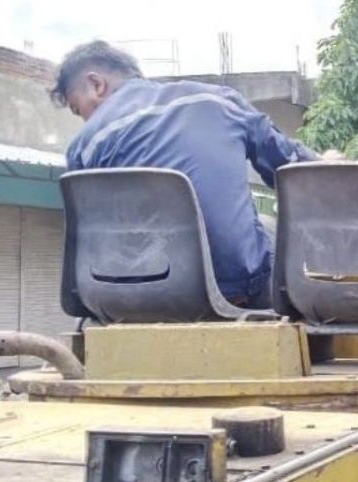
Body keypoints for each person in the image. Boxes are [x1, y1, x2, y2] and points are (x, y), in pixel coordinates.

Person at [50, 40, 320, 308]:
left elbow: (89, 241)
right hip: (233, 289)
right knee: (270, 229)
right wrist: (325, 162)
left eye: (78, 109)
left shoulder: (83, 147)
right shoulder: (218, 100)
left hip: (125, 299)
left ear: (97, 84)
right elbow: (295, 171)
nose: (84, 120)